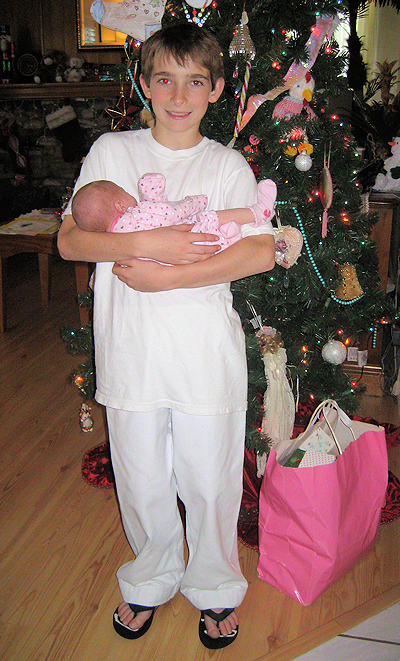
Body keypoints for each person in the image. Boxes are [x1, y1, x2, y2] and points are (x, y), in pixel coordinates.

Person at [58, 21, 275, 650]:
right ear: (145, 85)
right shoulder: (111, 152)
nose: (179, 97)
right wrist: (153, 241)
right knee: (142, 478)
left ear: (217, 89)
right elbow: (71, 240)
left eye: (195, 82)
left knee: (208, 479)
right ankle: (151, 576)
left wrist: (169, 276)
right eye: (164, 80)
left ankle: (214, 585)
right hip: (131, 353)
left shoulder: (226, 164)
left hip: (204, 353)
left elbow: (259, 251)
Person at [70, 173, 277, 253]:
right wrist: (196, 202)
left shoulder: (113, 240)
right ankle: (260, 212)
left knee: (216, 232)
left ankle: (231, 235)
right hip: (193, 238)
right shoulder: (136, 215)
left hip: (188, 254)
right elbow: (171, 213)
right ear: (120, 206)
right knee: (212, 217)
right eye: (124, 192)